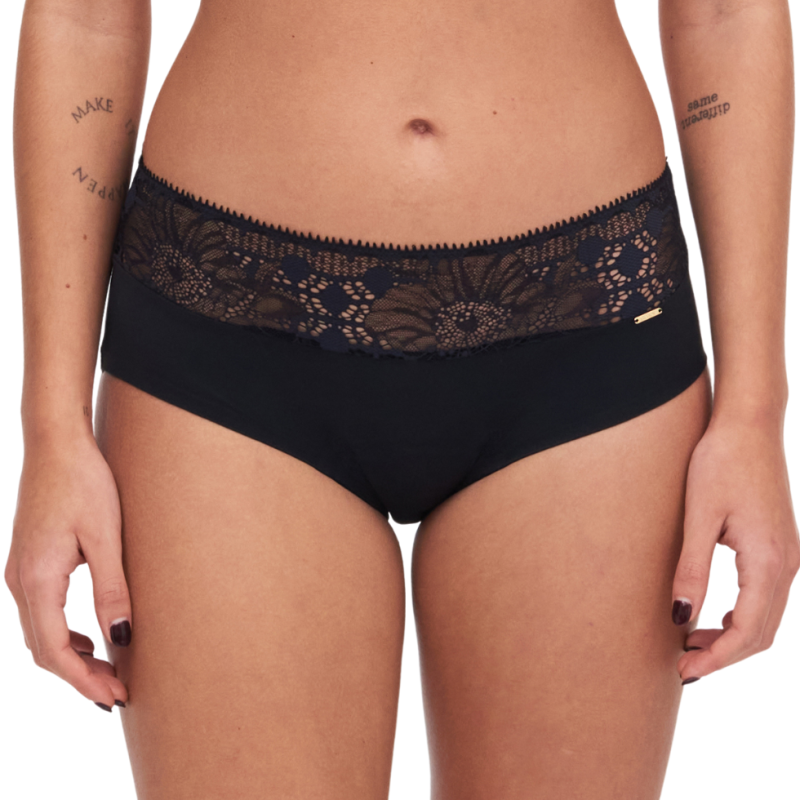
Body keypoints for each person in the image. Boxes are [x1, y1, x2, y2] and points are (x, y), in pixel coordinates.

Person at [5, 0, 799, 797]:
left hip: (588, 323)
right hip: (226, 325)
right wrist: (52, 430)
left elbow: (723, 13)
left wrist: (755, 414)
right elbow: (86, 18)